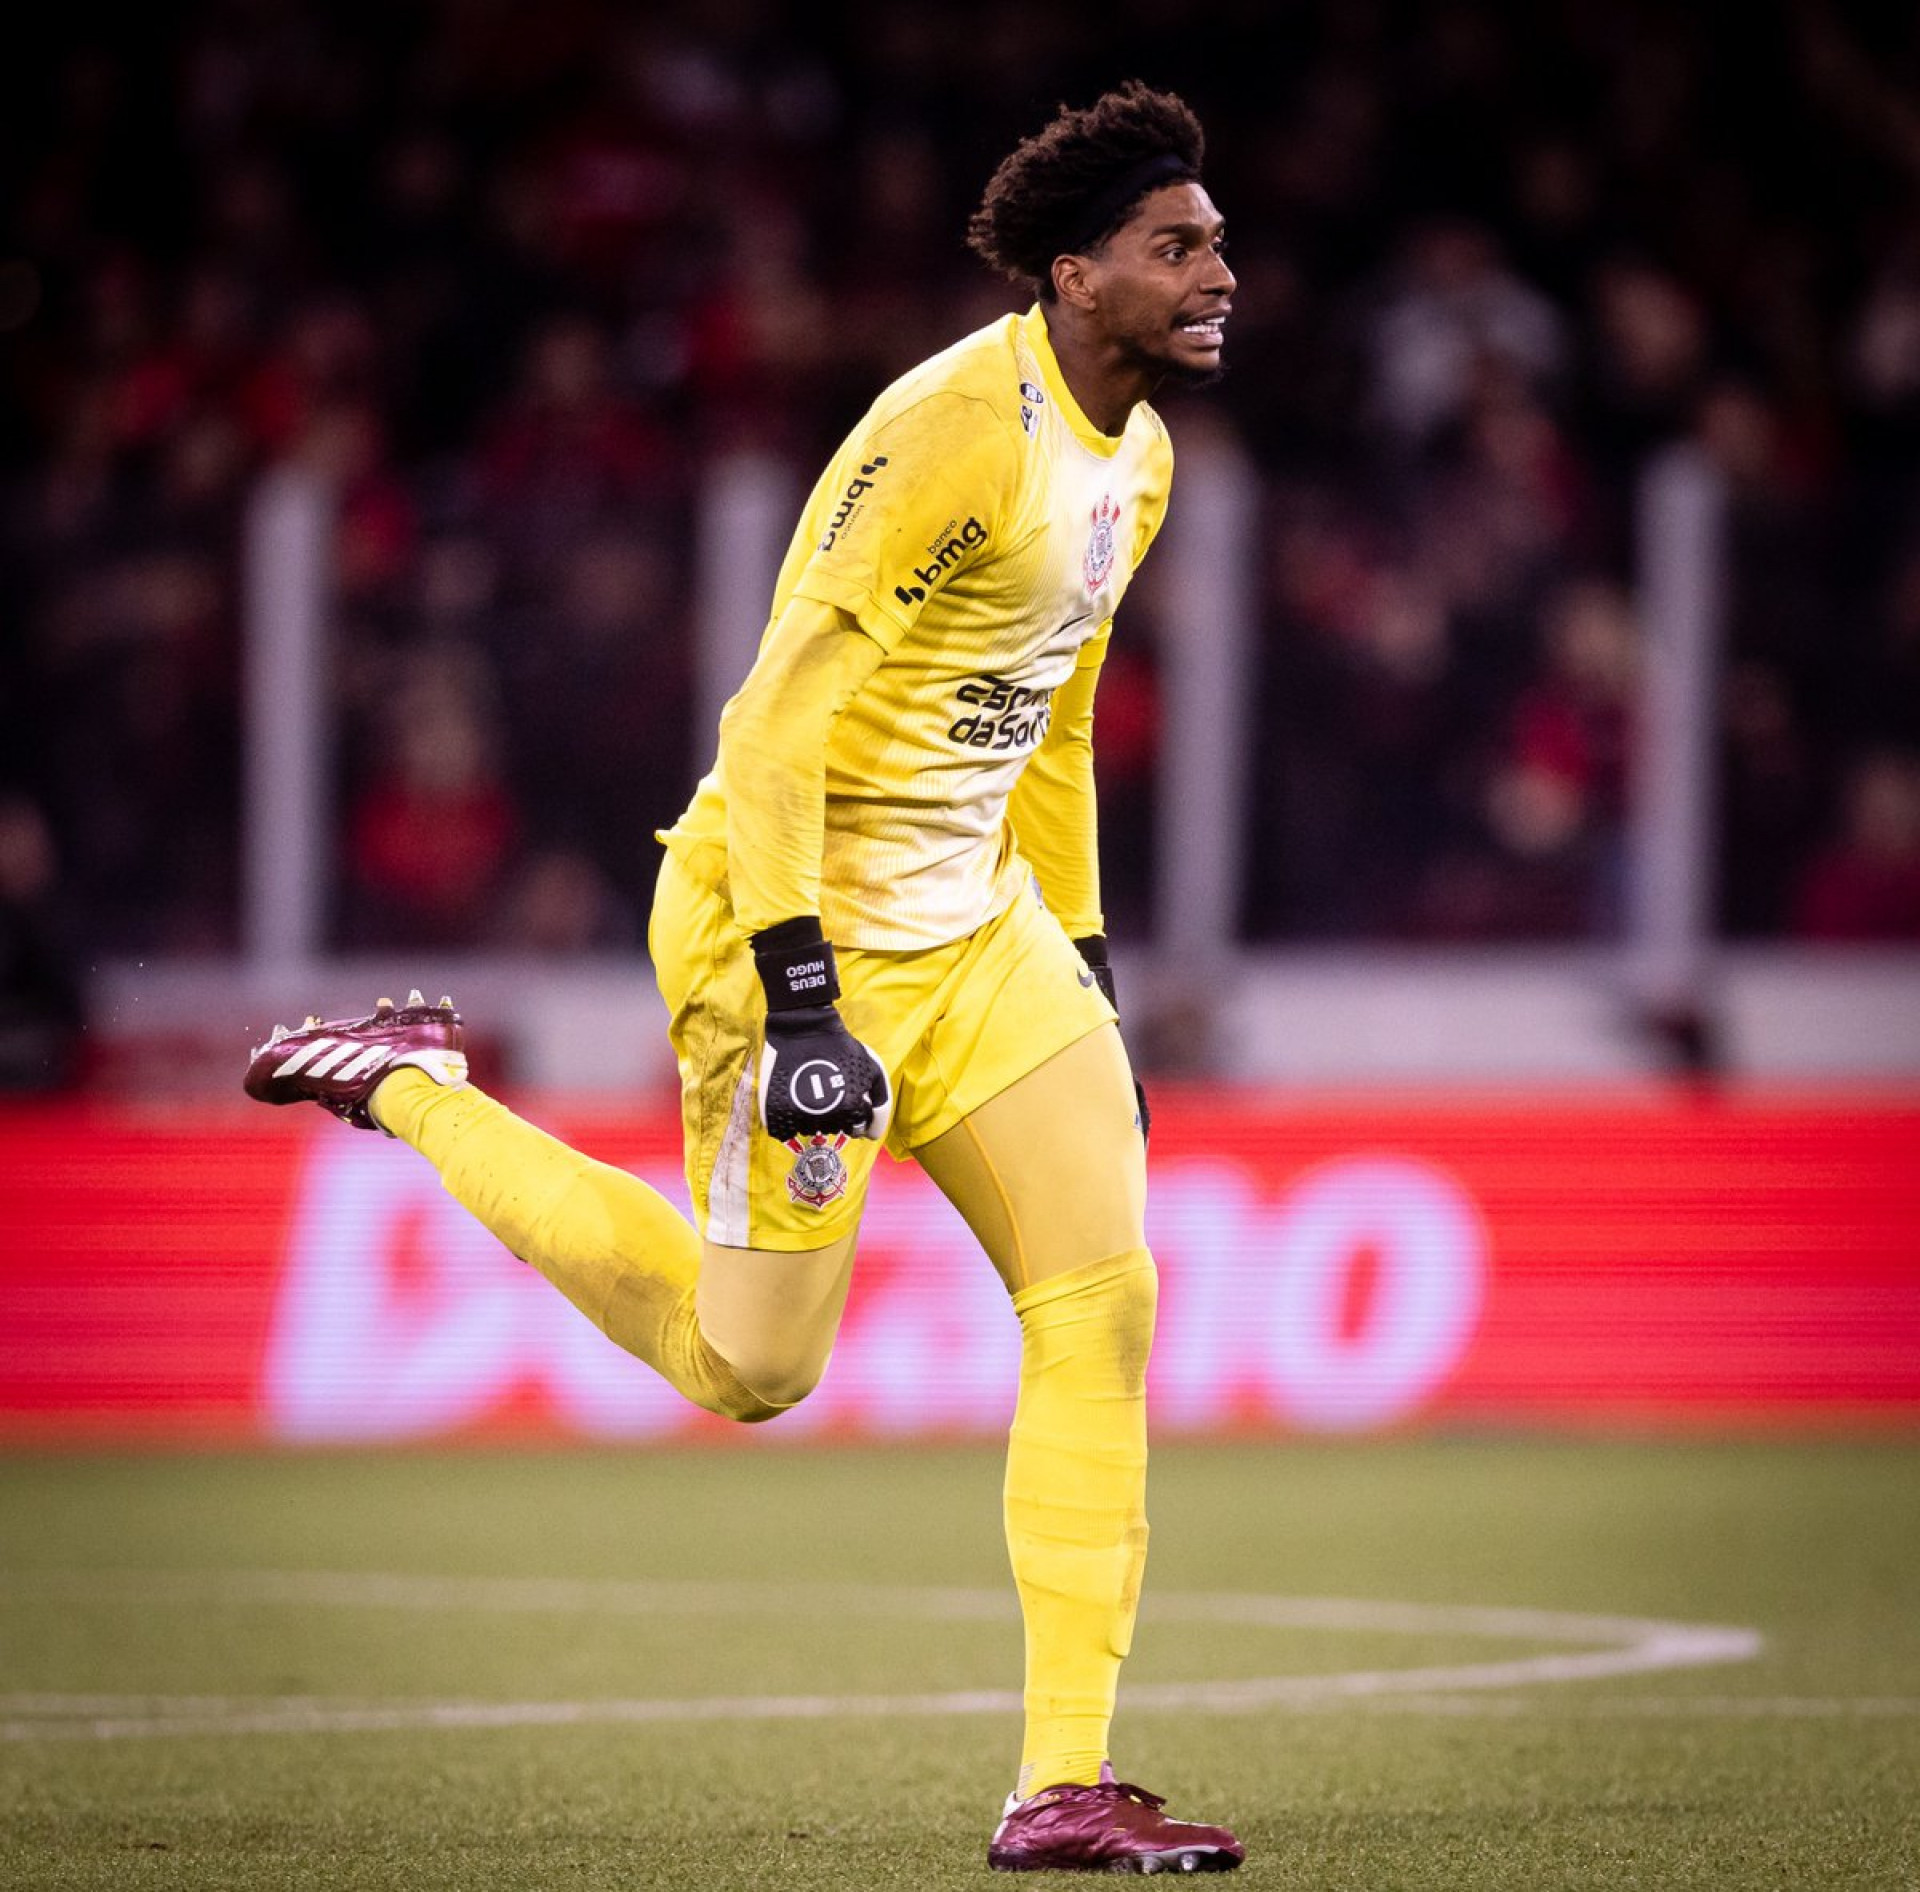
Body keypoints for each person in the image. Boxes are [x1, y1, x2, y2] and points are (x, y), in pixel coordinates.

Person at [246, 81, 1243, 1876]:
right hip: (791, 926)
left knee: (1103, 1307)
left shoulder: (1145, 462)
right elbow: (772, 729)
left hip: (982, 927)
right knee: (749, 1366)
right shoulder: (951, 434)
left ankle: (1064, 1788)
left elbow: (1057, 716)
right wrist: (796, 1002)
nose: (1218, 271)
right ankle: (411, 1086)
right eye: (1179, 247)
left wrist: (1085, 962)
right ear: (1078, 276)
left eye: (1218, 240)